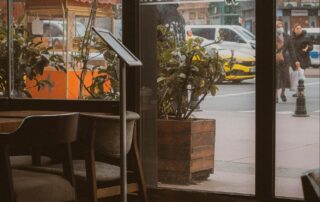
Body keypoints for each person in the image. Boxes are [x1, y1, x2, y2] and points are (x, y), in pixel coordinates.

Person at [290, 23, 313, 96]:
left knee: (300, 76)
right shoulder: (292, 38)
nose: (299, 29)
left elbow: (311, 46)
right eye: (297, 28)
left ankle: (301, 92)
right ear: (294, 30)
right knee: (296, 76)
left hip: (303, 59)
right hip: (294, 59)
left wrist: (307, 48)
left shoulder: (306, 37)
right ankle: (297, 92)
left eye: (300, 28)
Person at [275, 20, 292, 103]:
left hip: (285, 60)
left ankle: (282, 93)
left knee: (284, 77)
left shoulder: (287, 36)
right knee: (276, 77)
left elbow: (291, 50)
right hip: (275, 60)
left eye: (281, 25)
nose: (280, 27)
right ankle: (276, 95)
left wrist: (295, 61)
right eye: (278, 26)